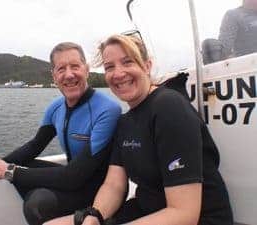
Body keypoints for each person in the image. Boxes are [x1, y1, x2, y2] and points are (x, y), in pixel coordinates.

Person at [44, 34, 233, 225]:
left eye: (127, 62)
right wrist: (94, 215)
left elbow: (184, 214)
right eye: (110, 67)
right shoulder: (125, 122)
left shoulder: (169, 107)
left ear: (147, 66)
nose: (118, 74)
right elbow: (114, 185)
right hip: (147, 212)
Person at [0, 42, 121, 225]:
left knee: (37, 203)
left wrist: (7, 171)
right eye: (61, 69)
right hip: (74, 179)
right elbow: (34, 146)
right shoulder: (55, 108)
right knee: (22, 166)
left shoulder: (107, 110)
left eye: (75, 66)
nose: (69, 74)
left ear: (86, 70)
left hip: (100, 191)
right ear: (54, 76)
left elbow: (75, 176)